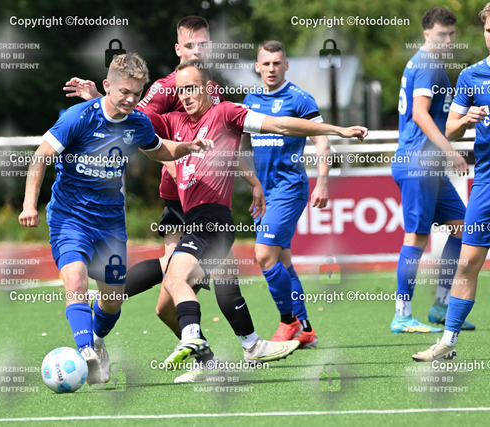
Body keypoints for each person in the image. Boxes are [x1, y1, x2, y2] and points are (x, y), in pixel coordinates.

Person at [64, 17, 295, 383]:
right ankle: (228, 347)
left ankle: (235, 348)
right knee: (175, 283)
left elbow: (222, 136)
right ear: (178, 49)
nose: (197, 50)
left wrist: (250, 178)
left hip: (205, 197)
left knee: (214, 271)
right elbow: (133, 122)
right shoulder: (165, 88)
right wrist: (98, 100)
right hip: (180, 199)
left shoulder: (210, 86)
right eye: (190, 46)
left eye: (203, 44)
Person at [154, 60, 367, 366]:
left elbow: (282, 125)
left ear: (208, 88)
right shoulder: (174, 121)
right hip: (196, 222)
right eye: (180, 90)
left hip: (213, 220)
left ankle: (199, 343)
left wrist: (336, 129)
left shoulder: (226, 113)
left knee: (177, 278)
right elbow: (133, 122)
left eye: (191, 88)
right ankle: (249, 346)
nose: (185, 95)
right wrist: (100, 100)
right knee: (174, 302)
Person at [18, 53, 212, 385]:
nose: (131, 99)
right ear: (107, 86)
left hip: (109, 224)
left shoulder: (138, 123)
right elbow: (40, 157)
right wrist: (29, 205)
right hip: (70, 218)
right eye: (125, 92)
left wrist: (188, 146)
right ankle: (86, 353)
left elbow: (159, 150)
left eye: (137, 93)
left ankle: (96, 341)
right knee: (75, 279)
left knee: (112, 300)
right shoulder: (78, 118)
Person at [412, 2, 490, 361]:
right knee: (468, 263)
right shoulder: (472, 76)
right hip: (486, 183)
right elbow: (450, 128)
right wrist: (467, 119)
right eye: (488, 30)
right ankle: (447, 342)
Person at [391, 7, 474, 334]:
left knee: (463, 228)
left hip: (429, 166)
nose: (448, 40)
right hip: (417, 163)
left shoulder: (429, 63)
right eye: (442, 34)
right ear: (427, 34)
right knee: (417, 236)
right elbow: (420, 114)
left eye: (452, 34)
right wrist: (451, 152)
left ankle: (441, 305)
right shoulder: (427, 64)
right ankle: (402, 315)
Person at [242, 40, 328, 348]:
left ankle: (287, 321)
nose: (271, 69)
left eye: (277, 63)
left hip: (289, 189)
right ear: (257, 66)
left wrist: (322, 181)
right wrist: (250, 180)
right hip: (263, 194)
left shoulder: (300, 99)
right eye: (266, 63)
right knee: (282, 260)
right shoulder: (250, 100)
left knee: (264, 254)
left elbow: (322, 139)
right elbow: (237, 144)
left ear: (286, 65)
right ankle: (305, 329)